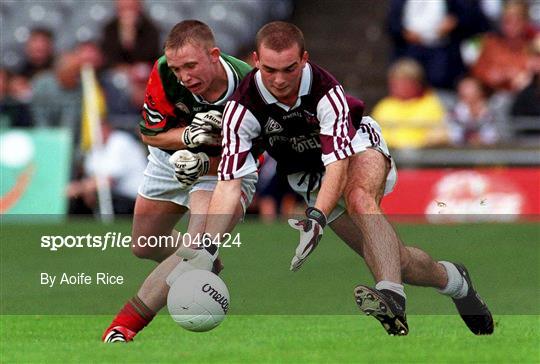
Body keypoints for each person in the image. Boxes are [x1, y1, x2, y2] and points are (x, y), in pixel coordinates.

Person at [199, 21, 494, 336]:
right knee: (398, 260)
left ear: (304, 59)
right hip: (309, 177)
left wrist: (316, 218)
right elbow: (229, 184)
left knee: (358, 198)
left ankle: (392, 298)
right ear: (256, 60)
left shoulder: (326, 91)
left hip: (356, 148)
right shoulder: (241, 108)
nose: (280, 80)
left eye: (289, 69)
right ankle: (456, 282)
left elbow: (338, 164)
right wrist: (207, 249)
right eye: (270, 70)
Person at [102, 20, 258, 343]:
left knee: (194, 246)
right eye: (178, 68)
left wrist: (204, 160)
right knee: (143, 244)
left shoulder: (248, 84)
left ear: (214, 55)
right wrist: (188, 136)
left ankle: (123, 327)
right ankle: (206, 264)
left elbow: (251, 155)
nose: (184, 76)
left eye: (191, 65)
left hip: (225, 171)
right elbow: (149, 134)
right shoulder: (163, 72)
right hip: (170, 155)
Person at [371, 58, 448, 149]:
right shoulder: (384, 106)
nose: (397, 87)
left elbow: (439, 136)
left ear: (416, 83)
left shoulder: (431, 104)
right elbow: (374, 135)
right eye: (395, 83)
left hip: (422, 158)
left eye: (403, 83)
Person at [446, 76, 500, 146]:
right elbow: (454, 137)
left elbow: (495, 136)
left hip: (488, 152)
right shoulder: (453, 113)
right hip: (461, 152)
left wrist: (481, 141)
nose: (465, 91)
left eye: (469, 88)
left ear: (480, 91)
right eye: (463, 88)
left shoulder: (492, 111)